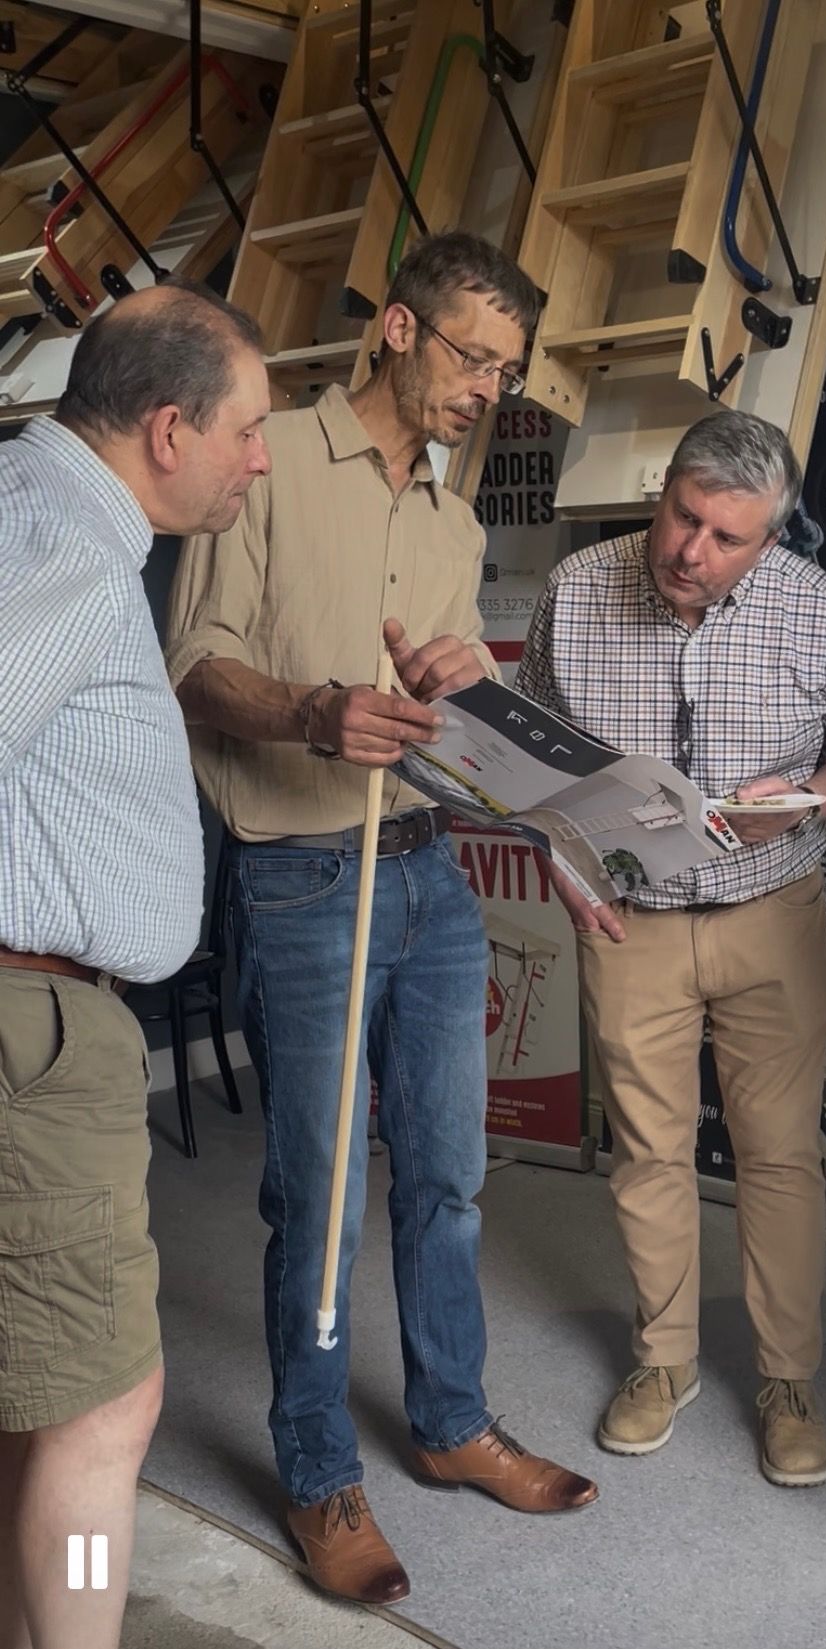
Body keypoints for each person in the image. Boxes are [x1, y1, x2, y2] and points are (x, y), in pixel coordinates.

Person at [166, 231, 597, 1609]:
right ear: (400, 331)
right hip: (301, 876)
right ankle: (313, 1468)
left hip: (430, 869)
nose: (489, 387)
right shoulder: (269, 457)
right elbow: (190, 664)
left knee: (452, 1174)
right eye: (475, 356)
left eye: (507, 369)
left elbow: (442, 733)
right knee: (320, 1189)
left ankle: (452, 1420)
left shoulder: (455, 519)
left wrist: (464, 695)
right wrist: (310, 709)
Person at [515, 409, 826, 1484]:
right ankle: (662, 1358)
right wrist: (553, 851)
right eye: (683, 518)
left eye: (728, 538)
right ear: (663, 489)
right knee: (647, 1147)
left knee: (778, 1153)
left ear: (771, 537)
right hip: (628, 916)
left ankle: (787, 1378)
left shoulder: (821, 611)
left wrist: (812, 796)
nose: (692, 552)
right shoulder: (577, 590)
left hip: (772, 911)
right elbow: (535, 756)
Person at [0, 281, 271, 1649]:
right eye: (249, 428)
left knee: (41, 1397)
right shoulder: (58, 532)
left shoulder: (35, 509)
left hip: (36, 1019)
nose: (258, 457)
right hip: (32, 1029)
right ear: (169, 429)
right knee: (108, 1405)